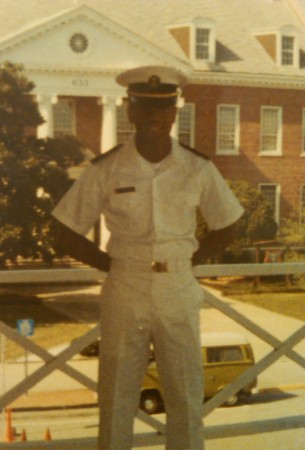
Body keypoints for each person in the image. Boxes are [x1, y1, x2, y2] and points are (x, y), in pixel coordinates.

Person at [52, 65, 244, 450]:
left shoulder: (196, 167)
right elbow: (62, 231)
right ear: (130, 111)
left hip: (178, 287)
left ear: (174, 113)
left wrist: (191, 261)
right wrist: (110, 264)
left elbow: (231, 224)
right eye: (146, 107)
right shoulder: (106, 169)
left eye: (164, 108)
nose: (156, 117)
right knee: (117, 393)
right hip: (125, 286)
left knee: (186, 394)